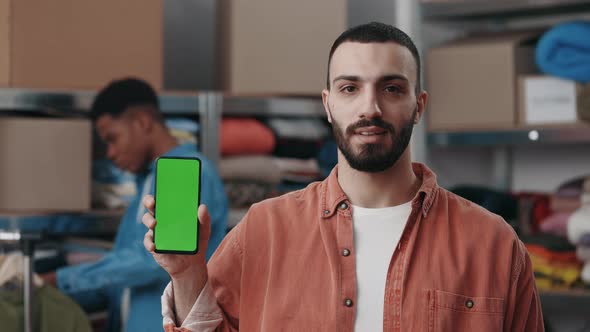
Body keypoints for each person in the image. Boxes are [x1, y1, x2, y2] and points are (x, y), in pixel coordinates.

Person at [142, 22, 544, 331]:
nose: (370, 107)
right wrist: (187, 275)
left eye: (391, 88)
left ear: (419, 105)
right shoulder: (263, 229)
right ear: (328, 104)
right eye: (350, 88)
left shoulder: (493, 242)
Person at [41, 78, 229, 332]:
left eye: (112, 138)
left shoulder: (184, 174)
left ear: (142, 122)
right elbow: (125, 278)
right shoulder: (146, 185)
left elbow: (156, 259)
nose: (110, 153)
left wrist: (61, 280)